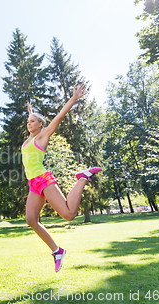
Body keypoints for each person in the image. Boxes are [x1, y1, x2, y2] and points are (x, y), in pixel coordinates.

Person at [23, 83, 102, 272]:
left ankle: (82, 178)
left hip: (43, 179)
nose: (29, 124)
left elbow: (58, 117)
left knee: (68, 214)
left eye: (33, 121)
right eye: (28, 122)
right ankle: (57, 251)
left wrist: (74, 98)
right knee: (31, 220)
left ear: (41, 125)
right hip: (33, 183)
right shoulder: (28, 140)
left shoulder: (42, 137)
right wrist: (31, 112)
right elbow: (32, 120)